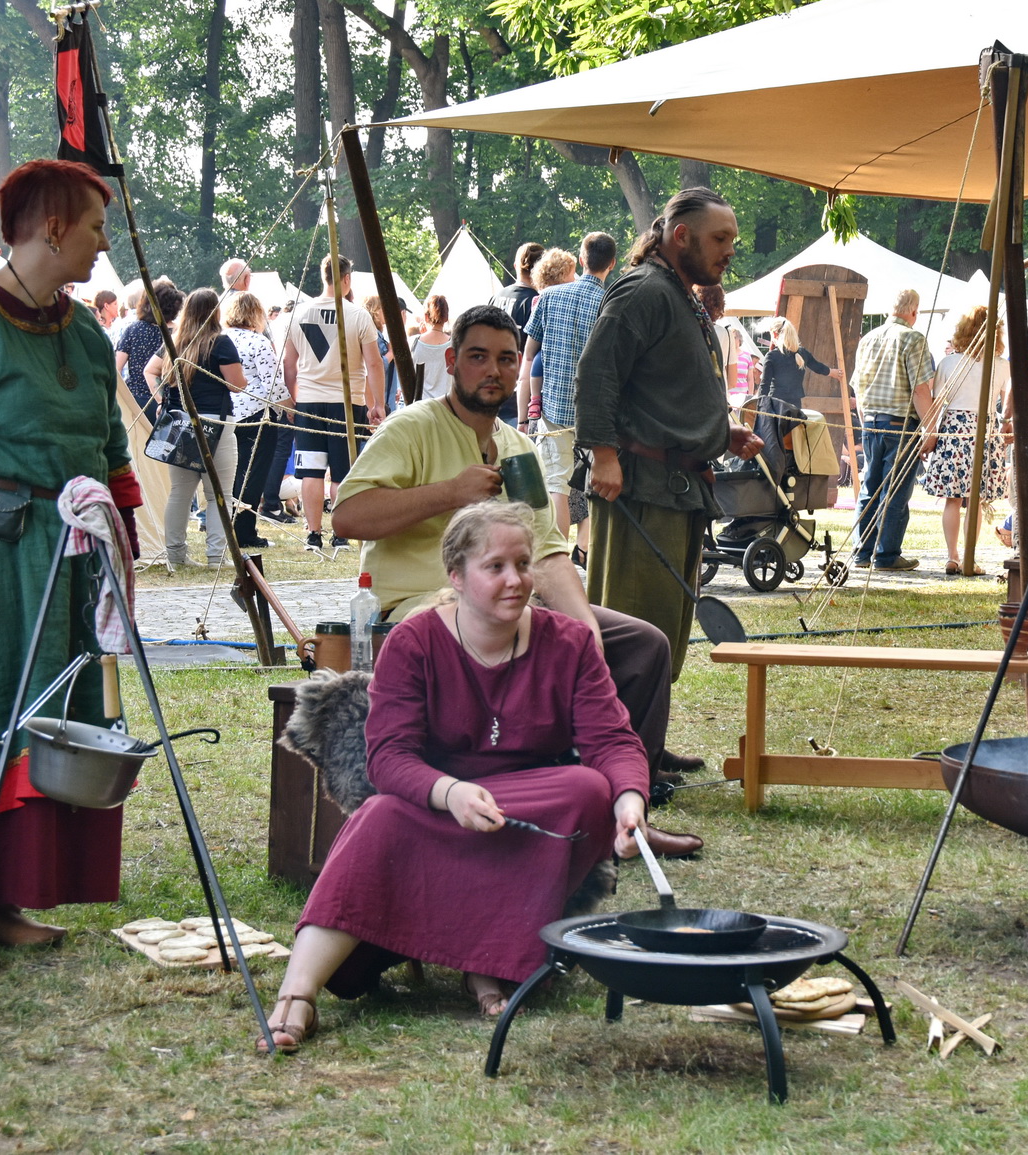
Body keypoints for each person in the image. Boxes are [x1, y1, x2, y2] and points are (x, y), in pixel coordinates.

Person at [257, 502, 652, 1050]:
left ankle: (486, 959)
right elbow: (389, 759)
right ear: (456, 576)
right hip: (433, 807)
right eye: (495, 567)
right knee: (380, 815)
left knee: (587, 789)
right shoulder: (413, 642)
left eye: (523, 563)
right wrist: (451, 793)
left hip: (523, 808)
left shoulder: (571, 643)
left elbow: (611, 740)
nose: (516, 580)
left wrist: (629, 799)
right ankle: (296, 995)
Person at [330, 304, 708, 813]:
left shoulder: (517, 446)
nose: (493, 371)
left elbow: (549, 551)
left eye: (507, 359)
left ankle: (623, 789)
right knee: (512, 645)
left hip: (509, 608)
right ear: (452, 359)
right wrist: (450, 493)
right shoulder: (410, 428)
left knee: (643, 646)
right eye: (478, 357)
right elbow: (347, 516)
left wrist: (584, 630)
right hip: (418, 609)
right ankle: (539, 792)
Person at [0, 158, 144, 959]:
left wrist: (126, 548)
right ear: (51, 228)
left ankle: (6, 898)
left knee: (52, 712)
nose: (102, 244)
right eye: (94, 226)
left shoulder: (86, 330)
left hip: (75, 553)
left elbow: (111, 449)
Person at [576, 189, 762, 670]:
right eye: (720, 237)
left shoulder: (677, 293)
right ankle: (621, 746)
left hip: (676, 490)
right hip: (643, 491)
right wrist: (604, 455)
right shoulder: (644, 290)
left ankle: (648, 746)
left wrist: (721, 435)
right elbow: (597, 374)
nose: (730, 250)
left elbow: (666, 392)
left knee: (662, 638)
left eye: (733, 239)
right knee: (632, 639)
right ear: (681, 236)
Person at [284, 254, 385, 555]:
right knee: (342, 471)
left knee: (311, 472)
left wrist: (295, 397)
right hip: (347, 402)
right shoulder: (357, 315)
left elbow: (289, 364)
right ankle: (339, 533)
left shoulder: (299, 313)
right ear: (346, 279)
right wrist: (378, 404)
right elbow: (374, 363)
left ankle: (313, 533)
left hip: (310, 402)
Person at [521, 231, 616, 543]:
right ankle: (588, 549)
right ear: (612, 264)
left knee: (557, 484)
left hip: (554, 409)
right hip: (598, 413)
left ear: (581, 259)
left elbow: (528, 356)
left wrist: (525, 413)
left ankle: (558, 555)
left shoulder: (549, 297)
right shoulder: (612, 304)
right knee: (597, 483)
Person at [145, 288, 247, 567]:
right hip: (215, 421)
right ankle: (216, 556)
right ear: (215, 312)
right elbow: (236, 384)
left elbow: (149, 370)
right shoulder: (220, 343)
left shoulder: (173, 342)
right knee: (219, 493)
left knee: (180, 491)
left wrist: (162, 399)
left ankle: (176, 557)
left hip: (179, 422)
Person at [850, 287, 936, 571]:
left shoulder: (868, 339)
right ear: (914, 312)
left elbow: (859, 390)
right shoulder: (913, 338)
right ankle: (886, 556)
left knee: (870, 488)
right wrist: (931, 429)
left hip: (871, 421)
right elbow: (920, 390)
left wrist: (865, 422)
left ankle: (862, 554)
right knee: (895, 492)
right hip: (900, 425)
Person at [921, 305, 1011, 576]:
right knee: (975, 500)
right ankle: (969, 558)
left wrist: (930, 434)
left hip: (954, 428)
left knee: (953, 499)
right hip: (984, 427)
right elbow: (1006, 397)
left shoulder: (949, 362)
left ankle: (953, 556)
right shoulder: (1002, 365)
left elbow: (937, 402)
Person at [224, 291, 289, 548]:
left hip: (227, 415)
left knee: (231, 474)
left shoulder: (221, 338)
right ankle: (245, 533)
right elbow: (273, 383)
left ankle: (227, 528)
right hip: (257, 415)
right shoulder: (257, 341)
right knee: (253, 475)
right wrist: (287, 408)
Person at [115, 278, 182, 416]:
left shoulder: (133, 330)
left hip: (136, 401)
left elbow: (116, 368)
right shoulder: (180, 334)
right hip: (169, 401)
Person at [760, 315, 843, 410]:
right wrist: (833, 372)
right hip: (795, 405)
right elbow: (817, 367)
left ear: (775, 334)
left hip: (776, 405)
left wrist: (760, 408)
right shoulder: (802, 353)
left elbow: (764, 385)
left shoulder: (771, 356)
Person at [488, 241, 543, 345]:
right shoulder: (538, 302)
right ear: (542, 269)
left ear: (515, 266)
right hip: (520, 359)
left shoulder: (496, 297)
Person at [410, 294, 453, 402]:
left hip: (420, 407)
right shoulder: (455, 345)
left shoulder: (413, 342)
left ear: (426, 317)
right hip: (445, 406)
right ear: (446, 317)